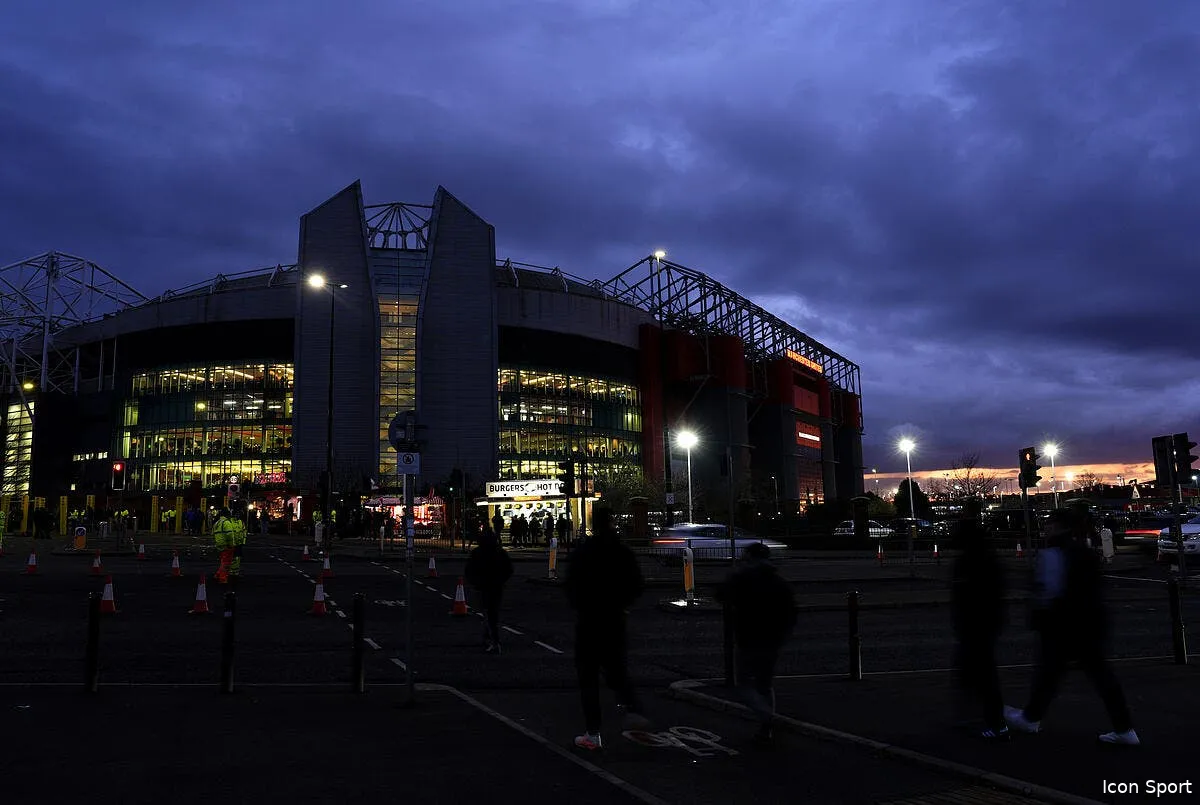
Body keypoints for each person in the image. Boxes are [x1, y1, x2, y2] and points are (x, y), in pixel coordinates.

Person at [1005, 508, 1139, 746]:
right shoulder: (1084, 551)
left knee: (1050, 674)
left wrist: (1038, 617)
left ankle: (1031, 718)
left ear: (1061, 526)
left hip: (1062, 625)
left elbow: (1047, 591)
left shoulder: (1053, 553)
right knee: (1097, 677)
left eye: (1050, 523)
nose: (1046, 527)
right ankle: (1124, 728)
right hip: (1088, 623)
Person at [564, 506, 649, 750]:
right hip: (614, 618)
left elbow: (571, 585)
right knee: (617, 668)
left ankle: (593, 733)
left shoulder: (584, 552)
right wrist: (622, 603)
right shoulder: (622, 551)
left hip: (589, 620)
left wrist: (580, 603)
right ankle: (634, 709)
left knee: (588, 678)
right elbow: (637, 584)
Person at [714, 542, 797, 745]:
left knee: (743, 685)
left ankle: (767, 717)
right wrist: (783, 634)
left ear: (749, 557)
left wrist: (732, 576)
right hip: (773, 639)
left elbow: (719, 595)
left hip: (748, 637)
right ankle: (765, 731)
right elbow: (790, 611)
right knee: (765, 685)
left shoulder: (742, 578)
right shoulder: (777, 580)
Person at [950, 514, 1007, 740]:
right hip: (979, 624)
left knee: (983, 675)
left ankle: (996, 724)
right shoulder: (983, 557)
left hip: (977, 625)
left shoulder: (974, 560)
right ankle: (974, 716)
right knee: (975, 673)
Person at [464, 528, 514, 653]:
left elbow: (469, 570)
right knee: (493, 613)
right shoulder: (500, 552)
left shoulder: (477, 553)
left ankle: (492, 640)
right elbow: (509, 569)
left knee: (486, 613)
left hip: (483, 586)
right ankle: (490, 637)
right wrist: (501, 580)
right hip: (496, 587)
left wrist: (475, 582)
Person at [212, 508, 238, 584]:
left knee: (223, 561)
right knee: (226, 563)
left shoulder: (217, 523)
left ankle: (218, 575)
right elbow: (229, 535)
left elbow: (213, 534)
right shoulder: (226, 522)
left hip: (219, 544)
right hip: (226, 545)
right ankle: (223, 578)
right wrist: (231, 544)